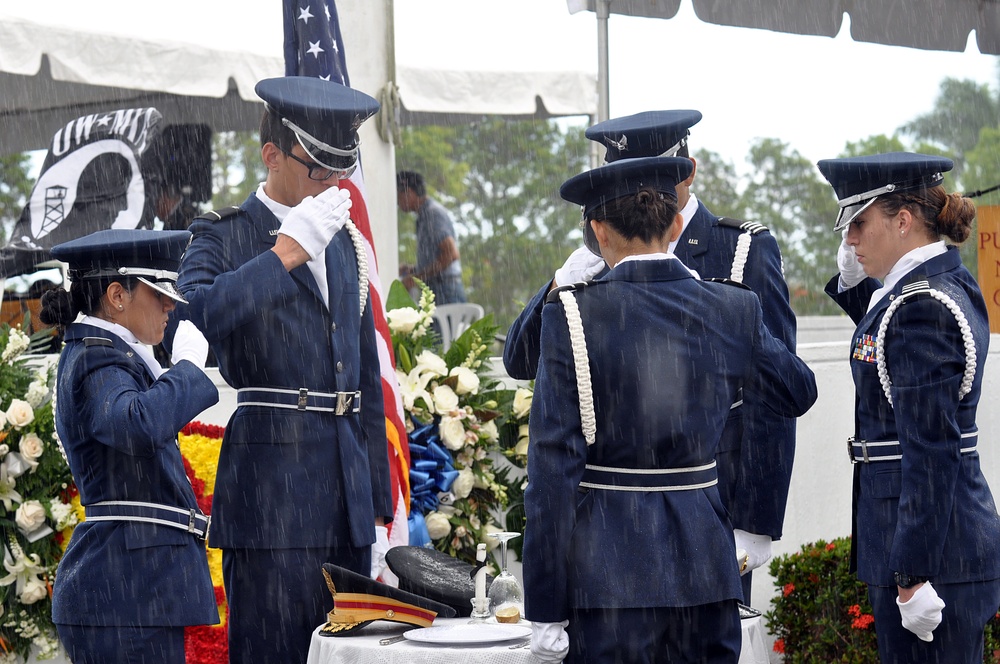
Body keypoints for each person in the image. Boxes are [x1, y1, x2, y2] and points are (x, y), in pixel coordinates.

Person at [523, 156, 817, 664]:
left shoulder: (571, 312)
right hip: (705, 570)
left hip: (607, 576)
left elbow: (551, 472)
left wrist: (545, 607)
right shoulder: (733, 308)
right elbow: (798, 393)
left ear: (597, 231)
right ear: (676, 222)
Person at [172, 76, 393, 664]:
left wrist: (378, 503)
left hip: (344, 492)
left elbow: (363, 374)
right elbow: (190, 321)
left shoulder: (345, 242)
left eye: (339, 170)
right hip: (272, 490)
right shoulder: (224, 234)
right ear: (272, 154)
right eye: (318, 168)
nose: (332, 183)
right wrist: (283, 255)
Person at [821, 152, 1000, 663]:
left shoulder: (921, 306)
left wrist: (912, 575)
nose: (850, 240)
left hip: (934, 558)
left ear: (902, 221)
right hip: (939, 545)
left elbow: (930, 447)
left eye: (858, 223)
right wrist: (857, 289)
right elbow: (883, 347)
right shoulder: (934, 290)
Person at [43, 229, 218, 663]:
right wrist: (189, 370)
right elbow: (136, 425)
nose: (171, 305)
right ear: (117, 296)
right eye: (159, 292)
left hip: (129, 591)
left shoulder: (106, 355)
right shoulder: (99, 358)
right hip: (125, 594)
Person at [396, 170, 467, 304]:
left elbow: (451, 254)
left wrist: (416, 278)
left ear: (408, 192)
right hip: (437, 290)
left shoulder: (432, 214)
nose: (397, 203)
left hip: (445, 291)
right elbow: (437, 257)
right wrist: (414, 269)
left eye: (398, 197)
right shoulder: (423, 216)